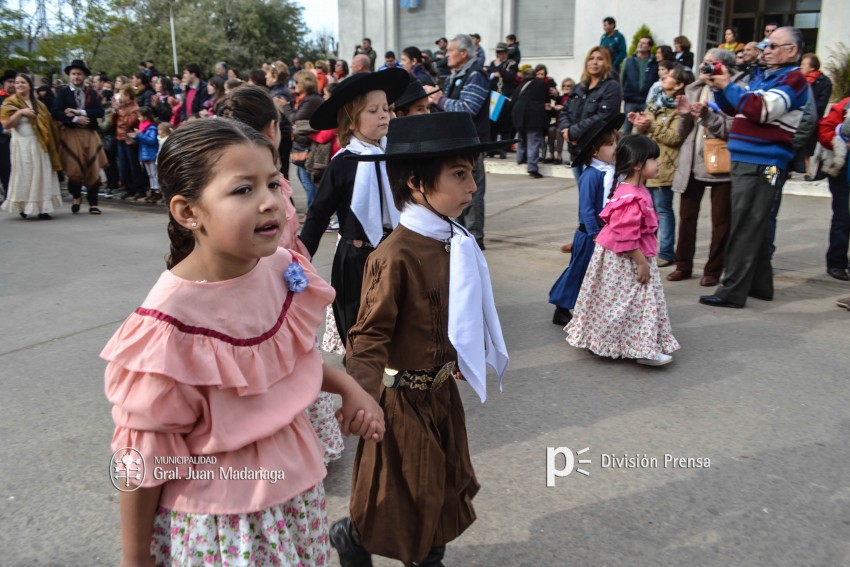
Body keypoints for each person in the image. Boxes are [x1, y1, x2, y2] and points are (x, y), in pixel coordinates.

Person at [103, 118, 384, 566]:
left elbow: (288, 363)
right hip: (225, 526)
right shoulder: (166, 325)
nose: (270, 202)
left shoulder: (278, 268)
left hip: (299, 501)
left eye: (273, 183)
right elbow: (140, 457)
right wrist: (135, 558)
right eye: (243, 190)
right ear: (188, 212)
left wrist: (350, 388)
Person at [328, 111, 510, 567]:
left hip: (441, 397)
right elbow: (368, 337)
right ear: (416, 182)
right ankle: (355, 537)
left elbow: (457, 317)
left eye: (472, 173)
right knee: (407, 494)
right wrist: (361, 398)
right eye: (459, 174)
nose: (472, 186)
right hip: (400, 402)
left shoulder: (456, 241)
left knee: (442, 490)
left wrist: (461, 359)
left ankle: (415, 552)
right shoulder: (396, 256)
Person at [216, 84, 346, 464]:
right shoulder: (263, 186)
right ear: (272, 128)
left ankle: (290, 444)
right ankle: (285, 448)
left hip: (279, 283)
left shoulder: (240, 183)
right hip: (270, 290)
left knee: (284, 366)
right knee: (282, 367)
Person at [699, 26, 809, 309]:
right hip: (750, 161)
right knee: (753, 222)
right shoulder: (766, 76)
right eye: (766, 46)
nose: (766, 51)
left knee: (745, 224)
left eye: (772, 46)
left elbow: (759, 110)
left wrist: (727, 86)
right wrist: (717, 86)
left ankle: (732, 291)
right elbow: (735, 109)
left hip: (766, 165)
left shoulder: (793, 79)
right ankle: (760, 286)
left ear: (791, 50)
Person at [298, 69, 410, 347]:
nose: (384, 115)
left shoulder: (399, 156)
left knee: (401, 328)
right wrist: (299, 259)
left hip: (397, 254)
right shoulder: (343, 163)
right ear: (350, 121)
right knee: (360, 331)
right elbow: (318, 213)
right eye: (373, 110)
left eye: (386, 108)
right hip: (357, 260)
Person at [566, 134, 680, 366]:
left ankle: (619, 342)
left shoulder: (633, 191)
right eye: (653, 160)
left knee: (621, 304)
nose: (658, 164)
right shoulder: (631, 196)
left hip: (626, 257)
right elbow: (626, 237)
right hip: (628, 259)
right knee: (635, 303)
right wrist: (641, 263)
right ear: (638, 164)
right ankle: (641, 349)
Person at [667, 48, 740, 287]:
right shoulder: (694, 88)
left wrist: (708, 115)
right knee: (686, 217)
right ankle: (683, 265)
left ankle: (713, 270)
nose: (705, 67)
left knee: (721, 222)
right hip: (692, 163)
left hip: (722, 162)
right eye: (704, 63)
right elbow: (681, 134)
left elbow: (733, 131)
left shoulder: (736, 91)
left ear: (725, 67)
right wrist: (684, 115)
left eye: (712, 63)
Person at [549, 113, 623, 325]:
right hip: (591, 235)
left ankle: (590, 308)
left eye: (617, 142)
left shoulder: (612, 172)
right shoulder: (591, 175)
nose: (616, 148)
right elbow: (587, 210)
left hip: (605, 233)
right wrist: (595, 234)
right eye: (610, 144)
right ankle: (562, 307)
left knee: (596, 273)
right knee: (579, 271)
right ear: (595, 150)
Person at [429, 34, 492, 249]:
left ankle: (474, 241)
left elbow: (468, 109)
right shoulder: (456, 75)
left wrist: (439, 99)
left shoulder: (476, 75)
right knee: (456, 194)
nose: (446, 54)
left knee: (471, 194)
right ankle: (459, 237)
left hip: (471, 147)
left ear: (463, 53)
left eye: (450, 51)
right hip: (456, 145)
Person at [629, 63, 693, 267]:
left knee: (663, 210)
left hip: (664, 167)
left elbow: (675, 137)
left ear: (679, 84)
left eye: (669, 76)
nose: (663, 77)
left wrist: (651, 126)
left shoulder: (681, 108)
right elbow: (636, 137)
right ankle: (647, 249)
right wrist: (638, 125)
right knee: (646, 210)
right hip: (644, 167)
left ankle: (665, 252)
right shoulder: (654, 103)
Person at [0, 73, 62, 219]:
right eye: (17, 83)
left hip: (39, 143)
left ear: (29, 85)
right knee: (25, 175)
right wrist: (21, 112)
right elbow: (6, 124)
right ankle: (23, 206)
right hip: (21, 144)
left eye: (23, 82)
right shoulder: (11, 102)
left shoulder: (39, 104)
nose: (19, 85)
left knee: (42, 175)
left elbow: (48, 124)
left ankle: (43, 208)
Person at [51, 59, 108, 214]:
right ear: (69, 75)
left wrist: (81, 113)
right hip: (71, 133)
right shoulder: (63, 93)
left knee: (93, 169)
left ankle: (93, 203)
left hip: (89, 133)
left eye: (79, 74)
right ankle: (76, 196)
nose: (76, 77)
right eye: (74, 74)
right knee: (73, 169)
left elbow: (100, 111)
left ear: (84, 76)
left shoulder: (92, 93)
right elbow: (55, 112)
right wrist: (74, 119)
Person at [559, 46, 623, 179]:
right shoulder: (579, 87)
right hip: (576, 152)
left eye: (600, 59)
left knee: (599, 197)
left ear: (607, 63)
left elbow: (603, 117)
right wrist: (566, 131)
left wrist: (573, 133)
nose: (594, 62)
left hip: (597, 155)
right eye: (591, 58)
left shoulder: (612, 87)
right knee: (584, 197)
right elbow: (565, 111)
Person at [817, 91, 850, 281]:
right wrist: (840, 142)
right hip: (843, 170)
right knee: (843, 217)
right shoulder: (844, 105)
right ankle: (837, 263)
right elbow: (824, 130)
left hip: (773, 164)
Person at [288, 69, 324, 209]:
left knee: (308, 182)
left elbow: (296, 119)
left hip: (307, 146)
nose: (294, 84)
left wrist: (284, 106)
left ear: (305, 83)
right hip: (302, 145)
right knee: (304, 177)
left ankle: (315, 213)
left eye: (297, 82)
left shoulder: (313, 99)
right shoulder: (305, 99)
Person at [512, 68, 549, 178]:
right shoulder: (540, 84)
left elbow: (513, 100)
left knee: (522, 138)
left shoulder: (520, 87)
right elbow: (546, 98)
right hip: (534, 115)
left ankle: (520, 159)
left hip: (518, 114)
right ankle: (532, 168)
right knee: (533, 140)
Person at [112, 85, 144, 200]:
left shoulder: (135, 108)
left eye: (123, 94)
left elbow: (129, 123)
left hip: (129, 138)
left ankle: (139, 189)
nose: (120, 97)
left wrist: (119, 111)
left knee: (133, 165)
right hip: (120, 137)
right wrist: (116, 111)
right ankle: (129, 188)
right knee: (123, 166)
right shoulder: (121, 108)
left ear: (129, 96)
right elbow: (113, 122)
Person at [487, 42, 518, 158]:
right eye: (499, 52)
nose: (500, 54)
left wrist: (500, 69)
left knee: (505, 125)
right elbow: (489, 75)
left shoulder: (511, 63)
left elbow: (510, 76)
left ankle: (503, 149)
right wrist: (496, 72)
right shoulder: (492, 64)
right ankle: (491, 148)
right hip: (494, 97)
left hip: (505, 97)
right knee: (492, 124)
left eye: (503, 52)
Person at [621, 36, 657, 134]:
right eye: (640, 42)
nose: (640, 44)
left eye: (644, 43)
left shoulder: (654, 62)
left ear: (649, 47)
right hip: (630, 100)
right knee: (627, 129)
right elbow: (622, 79)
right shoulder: (629, 60)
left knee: (645, 128)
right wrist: (624, 94)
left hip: (646, 101)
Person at [133, 106, 160, 203]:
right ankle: (153, 189)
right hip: (144, 153)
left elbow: (151, 141)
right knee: (150, 174)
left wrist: (140, 135)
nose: (138, 118)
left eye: (140, 116)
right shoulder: (142, 127)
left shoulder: (152, 128)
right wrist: (136, 136)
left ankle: (157, 191)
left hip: (151, 153)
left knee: (154, 174)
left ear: (145, 117)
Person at [0, 69, 16, 197]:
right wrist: (5, 130)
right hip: (3, 139)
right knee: (5, 168)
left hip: (18, 139)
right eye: (10, 82)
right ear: (4, 83)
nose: (12, 85)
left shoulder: (20, 100)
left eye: (14, 82)